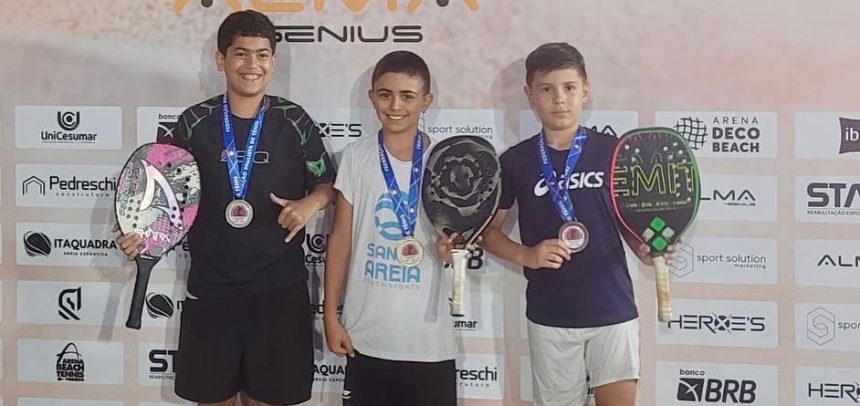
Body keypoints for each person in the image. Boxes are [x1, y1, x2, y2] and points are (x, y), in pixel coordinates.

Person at [116, 10, 336, 406]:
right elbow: (162, 196)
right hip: (212, 291)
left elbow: (327, 185)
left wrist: (310, 204)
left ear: (273, 61)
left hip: (279, 292)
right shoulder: (192, 123)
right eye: (241, 53)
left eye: (262, 55)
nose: (252, 64)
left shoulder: (294, 120)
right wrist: (140, 236)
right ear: (221, 60)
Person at [480, 42, 676, 406]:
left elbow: (632, 225)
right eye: (547, 89)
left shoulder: (614, 151)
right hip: (550, 314)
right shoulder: (515, 161)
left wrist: (648, 250)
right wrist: (526, 254)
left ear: (585, 90)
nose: (559, 99)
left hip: (612, 309)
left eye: (569, 87)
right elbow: (487, 233)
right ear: (529, 94)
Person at [322, 50, 457, 406]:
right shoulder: (356, 156)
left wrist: (452, 252)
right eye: (385, 94)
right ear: (372, 97)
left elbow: (459, 240)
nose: (395, 105)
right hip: (365, 338)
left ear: (426, 101)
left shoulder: (447, 161)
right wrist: (330, 316)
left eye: (407, 96)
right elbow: (340, 240)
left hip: (429, 342)